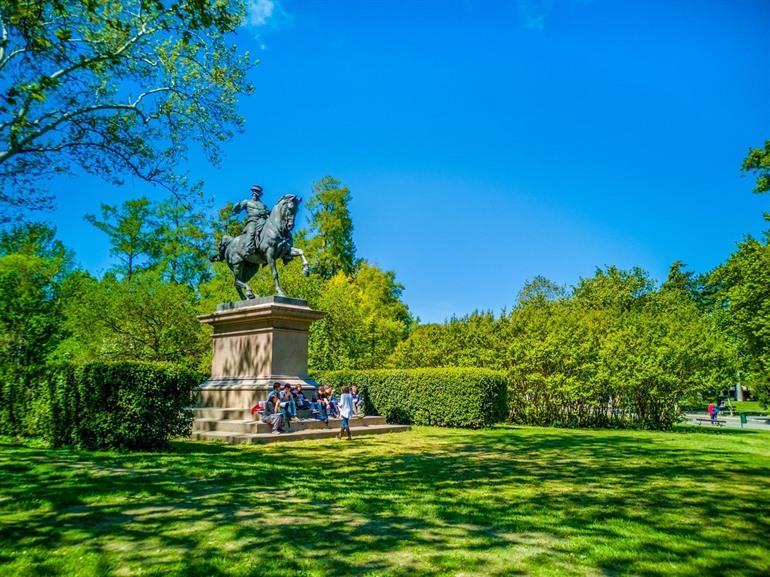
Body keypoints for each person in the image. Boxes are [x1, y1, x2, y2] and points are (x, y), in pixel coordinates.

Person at [233, 184, 270, 254]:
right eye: (254, 191)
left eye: (257, 191)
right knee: (251, 231)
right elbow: (237, 210)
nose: (255, 193)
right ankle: (249, 248)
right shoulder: (246, 202)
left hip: (262, 221)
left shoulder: (263, 205)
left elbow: (269, 214)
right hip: (252, 220)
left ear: (260, 194)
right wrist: (236, 207)